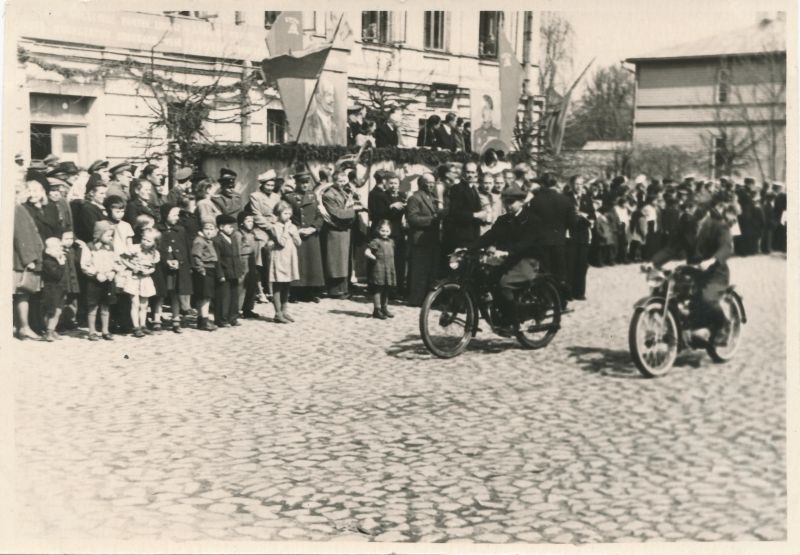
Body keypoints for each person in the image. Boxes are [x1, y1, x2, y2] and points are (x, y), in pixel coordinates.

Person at [651, 193, 734, 346]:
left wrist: (711, 260)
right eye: (686, 207)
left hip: (715, 273)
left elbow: (726, 247)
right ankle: (678, 331)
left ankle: (724, 326)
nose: (688, 212)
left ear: (704, 209)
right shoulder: (685, 225)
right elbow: (671, 248)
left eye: (693, 208)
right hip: (692, 270)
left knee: (706, 298)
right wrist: (653, 263)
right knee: (664, 290)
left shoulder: (718, 225)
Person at [471, 184, 540, 333]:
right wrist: (469, 248)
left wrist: (508, 252)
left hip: (527, 261)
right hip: (508, 260)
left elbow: (527, 243)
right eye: (506, 202)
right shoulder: (503, 220)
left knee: (504, 283)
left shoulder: (531, 219)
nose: (508, 206)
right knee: (488, 279)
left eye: (511, 202)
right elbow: (490, 236)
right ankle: (500, 316)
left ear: (521, 202)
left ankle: (515, 321)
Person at [526, 173, 576, 293]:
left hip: (542, 242)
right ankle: (562, 300)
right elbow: (572, 223)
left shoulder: (535, 201)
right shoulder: (566, 200)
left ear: (542, 184)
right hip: (559, 241)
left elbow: (531, 223)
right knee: (560, 272)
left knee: (545, 273)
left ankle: (547, 299)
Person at [285, 172, 325, 301]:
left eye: (307, 182)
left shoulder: (312, 196)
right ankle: (295, 292)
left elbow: (319, 215)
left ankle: (311, 292)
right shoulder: (289, 197)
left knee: (312, 263)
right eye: (302, 183)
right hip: (298, 234)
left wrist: (313, 228)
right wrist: (297, 230)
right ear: (296, 183)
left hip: (311, 234)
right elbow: (285, 216)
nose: (305, 185)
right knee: (298, 263)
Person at [13, 181, 45, 340]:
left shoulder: (18, 208)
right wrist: (30, 259)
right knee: (22, 294)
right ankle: (23, 327)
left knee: (21, 295)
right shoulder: (17, 209)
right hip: (21, 261)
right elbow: (22, 236)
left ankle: (20, 326)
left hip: (21, 259)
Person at [406, 173, 442, 307]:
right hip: (420, 240)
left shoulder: (433, 198)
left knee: (431, 271)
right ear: (421, 183)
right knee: (419, 271)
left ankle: (428, 300)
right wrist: (433, 220)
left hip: (432, 239)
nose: (432, 185)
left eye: (433, 182)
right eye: (429, 182)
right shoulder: (415, 198)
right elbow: (412, 218)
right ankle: (416, 300)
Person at [80, 220, 120, 341]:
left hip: (108, 280)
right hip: (95, 281)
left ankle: (105, 330)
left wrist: (113, 271)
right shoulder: (90, 247)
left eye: (111, 235)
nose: (110, 238)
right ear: (99, 234)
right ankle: (92, 331)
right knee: (93, 306)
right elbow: (85, 265)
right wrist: (96, 274)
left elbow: (117, 261)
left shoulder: (111, 247)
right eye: (108, 235)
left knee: (106, 306)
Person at [118, 226, 160, 338]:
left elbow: (153, 267)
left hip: (145, 279)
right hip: (133, 278)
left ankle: (143, 325)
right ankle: (136, 327)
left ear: (154, 243)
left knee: (144, 304)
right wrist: (132, 267)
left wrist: (149, 271)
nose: (145, 242)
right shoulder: (135, 248)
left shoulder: (154, 254)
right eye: (144, 239)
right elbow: (122, 258)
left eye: (149, 241)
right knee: (135, 303)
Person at [247, 169, 283, 300]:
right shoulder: (255, 196)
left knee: (278, 255)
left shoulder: (276, 197)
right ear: (262, 185)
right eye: (267, 185)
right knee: (260, 258)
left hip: (275, 228)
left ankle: (273, 289)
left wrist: (276, 225)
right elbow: (256, 216)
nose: (270, 188)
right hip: (261, 229)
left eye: (272, 185)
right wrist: (270, 226)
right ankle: (259, 290)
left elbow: (279, 212)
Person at [158, 204, 194, 332]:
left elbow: (186, 248)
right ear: (165, 215)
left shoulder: (180, 230)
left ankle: (176, 320)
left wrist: (186, 264)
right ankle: (157, 319)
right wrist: (166, 261)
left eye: (177, 215)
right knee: (160, 293)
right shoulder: (158, 230)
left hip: (179, 266)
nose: (176, 217)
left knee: (176, 292)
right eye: (173, 215)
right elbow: (157, 249)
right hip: (162, 267)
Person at [321, 170, 357, 297]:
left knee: (344, 261)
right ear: (334, 181)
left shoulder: (344, 193)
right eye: (340, 181)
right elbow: (337, 214)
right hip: (335, 231)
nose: (343, 183)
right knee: (335, 262)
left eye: (344, 181)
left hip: (344, 230)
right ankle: (335, 290)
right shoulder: (329, 195)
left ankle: (344, 288)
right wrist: (352, 210)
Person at [442, 162, 487, 255]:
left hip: (472, 235)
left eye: (473, 172)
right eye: (468, 172)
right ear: (463, 173)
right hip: (461, 236)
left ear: (477, 174)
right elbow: (454, 212)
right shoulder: (457, 188)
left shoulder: (473, 189)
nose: (470, 175)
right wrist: (476, 215)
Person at [268, 201, 302, 323]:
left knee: (287, 284)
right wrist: (286, 230)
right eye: (284, 213)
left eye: (289, 213)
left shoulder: (292, 227)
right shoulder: (275, 226)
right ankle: (277, 313)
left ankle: (284, 310)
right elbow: (281, 242)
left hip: (290, 257)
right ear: (278, 214)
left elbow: (299, 243)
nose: (288, 216)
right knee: (278, 285)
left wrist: (294, 234)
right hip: (279, 257)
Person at [213, 214, 244, 328]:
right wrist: (220, 274)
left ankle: (233, 317)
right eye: (229, 226)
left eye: (232, 226)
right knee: (223, 297)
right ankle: (221, 319)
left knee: (234, 296)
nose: (232, 228)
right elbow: (217, 259)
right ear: (221, 227)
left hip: (234, 271)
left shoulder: (233, 239)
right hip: (224, 273)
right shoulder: (217, 240)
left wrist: (239, 270)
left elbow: (237, 256)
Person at [192, 218, 220, 332]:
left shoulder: (209, 241)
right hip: (205, 269)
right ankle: (204, 320)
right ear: (201, 230)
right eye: (206, 229)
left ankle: (201, 320)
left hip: (210, 269)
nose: (209, 231)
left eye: (211, 229)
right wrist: (201, 269)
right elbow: (196, 256)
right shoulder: (199, 241)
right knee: (205, 297)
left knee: (205, 296)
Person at [365, 220, 397, 319]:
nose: (385, 233)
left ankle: (384, 308)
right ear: (378, 230)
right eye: (382, 230)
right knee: (378, 289)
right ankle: (377, 309)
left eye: (387, 231)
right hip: (379, 269)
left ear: (390, 231)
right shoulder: (376, 241)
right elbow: (367, 251)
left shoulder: (391, 242)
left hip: (389, 268)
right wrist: (372, 256)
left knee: (386, 288)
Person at [40, 237, 67, 342]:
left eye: (60, 248)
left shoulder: (57, 260)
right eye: (56, 249)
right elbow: (57, 275)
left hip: (60, 289)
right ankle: (49, 331)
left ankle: (52, 329)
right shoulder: (48, 261)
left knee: (58, 310)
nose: (59, 251)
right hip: (51, 289)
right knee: (52, 311)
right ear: (49, 250)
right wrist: (61, 264)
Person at [236, 211, 260, 319]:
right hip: (242, 259)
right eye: (248, 221)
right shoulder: (238, 234)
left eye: (252, 221)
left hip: (252, 259)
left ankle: (248, 308)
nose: (251, 223)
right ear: (241, 222)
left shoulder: (253, 233)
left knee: (251, 284)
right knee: (241, 285)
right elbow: (236, 249)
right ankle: (237, 309)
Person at [306, 76, 339, 146]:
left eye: (333, 95)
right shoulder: (309, 123)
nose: (333, 100)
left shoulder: (335, 124)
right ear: (319, 97)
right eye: (329, 95)